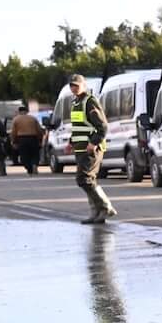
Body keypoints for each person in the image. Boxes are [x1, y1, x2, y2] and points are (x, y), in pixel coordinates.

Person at [65, 74, 117, 225]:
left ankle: (106, 207)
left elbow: (103, 126)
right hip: (80, 149)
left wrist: (94, 143)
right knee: (87, 180)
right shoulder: (76, 102)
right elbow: (79, 127)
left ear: (83, 85)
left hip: (91, 149)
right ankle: (96, 212)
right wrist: (71, 142)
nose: (74, 88)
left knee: (84, 179)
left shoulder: (90, 101)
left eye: (76, 85)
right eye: (71, 85)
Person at [10, 106, 44, 174]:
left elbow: (13, 132)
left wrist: (13, 141)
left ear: (19, 112)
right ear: (27, 111)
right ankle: (34, 164)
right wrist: (40, 140)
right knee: (35, 154)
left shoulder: (16, 119)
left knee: (24, 155)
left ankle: (29, 168)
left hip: (22, 139)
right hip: (33, 138)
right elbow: (39, 130)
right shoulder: (33, 118)